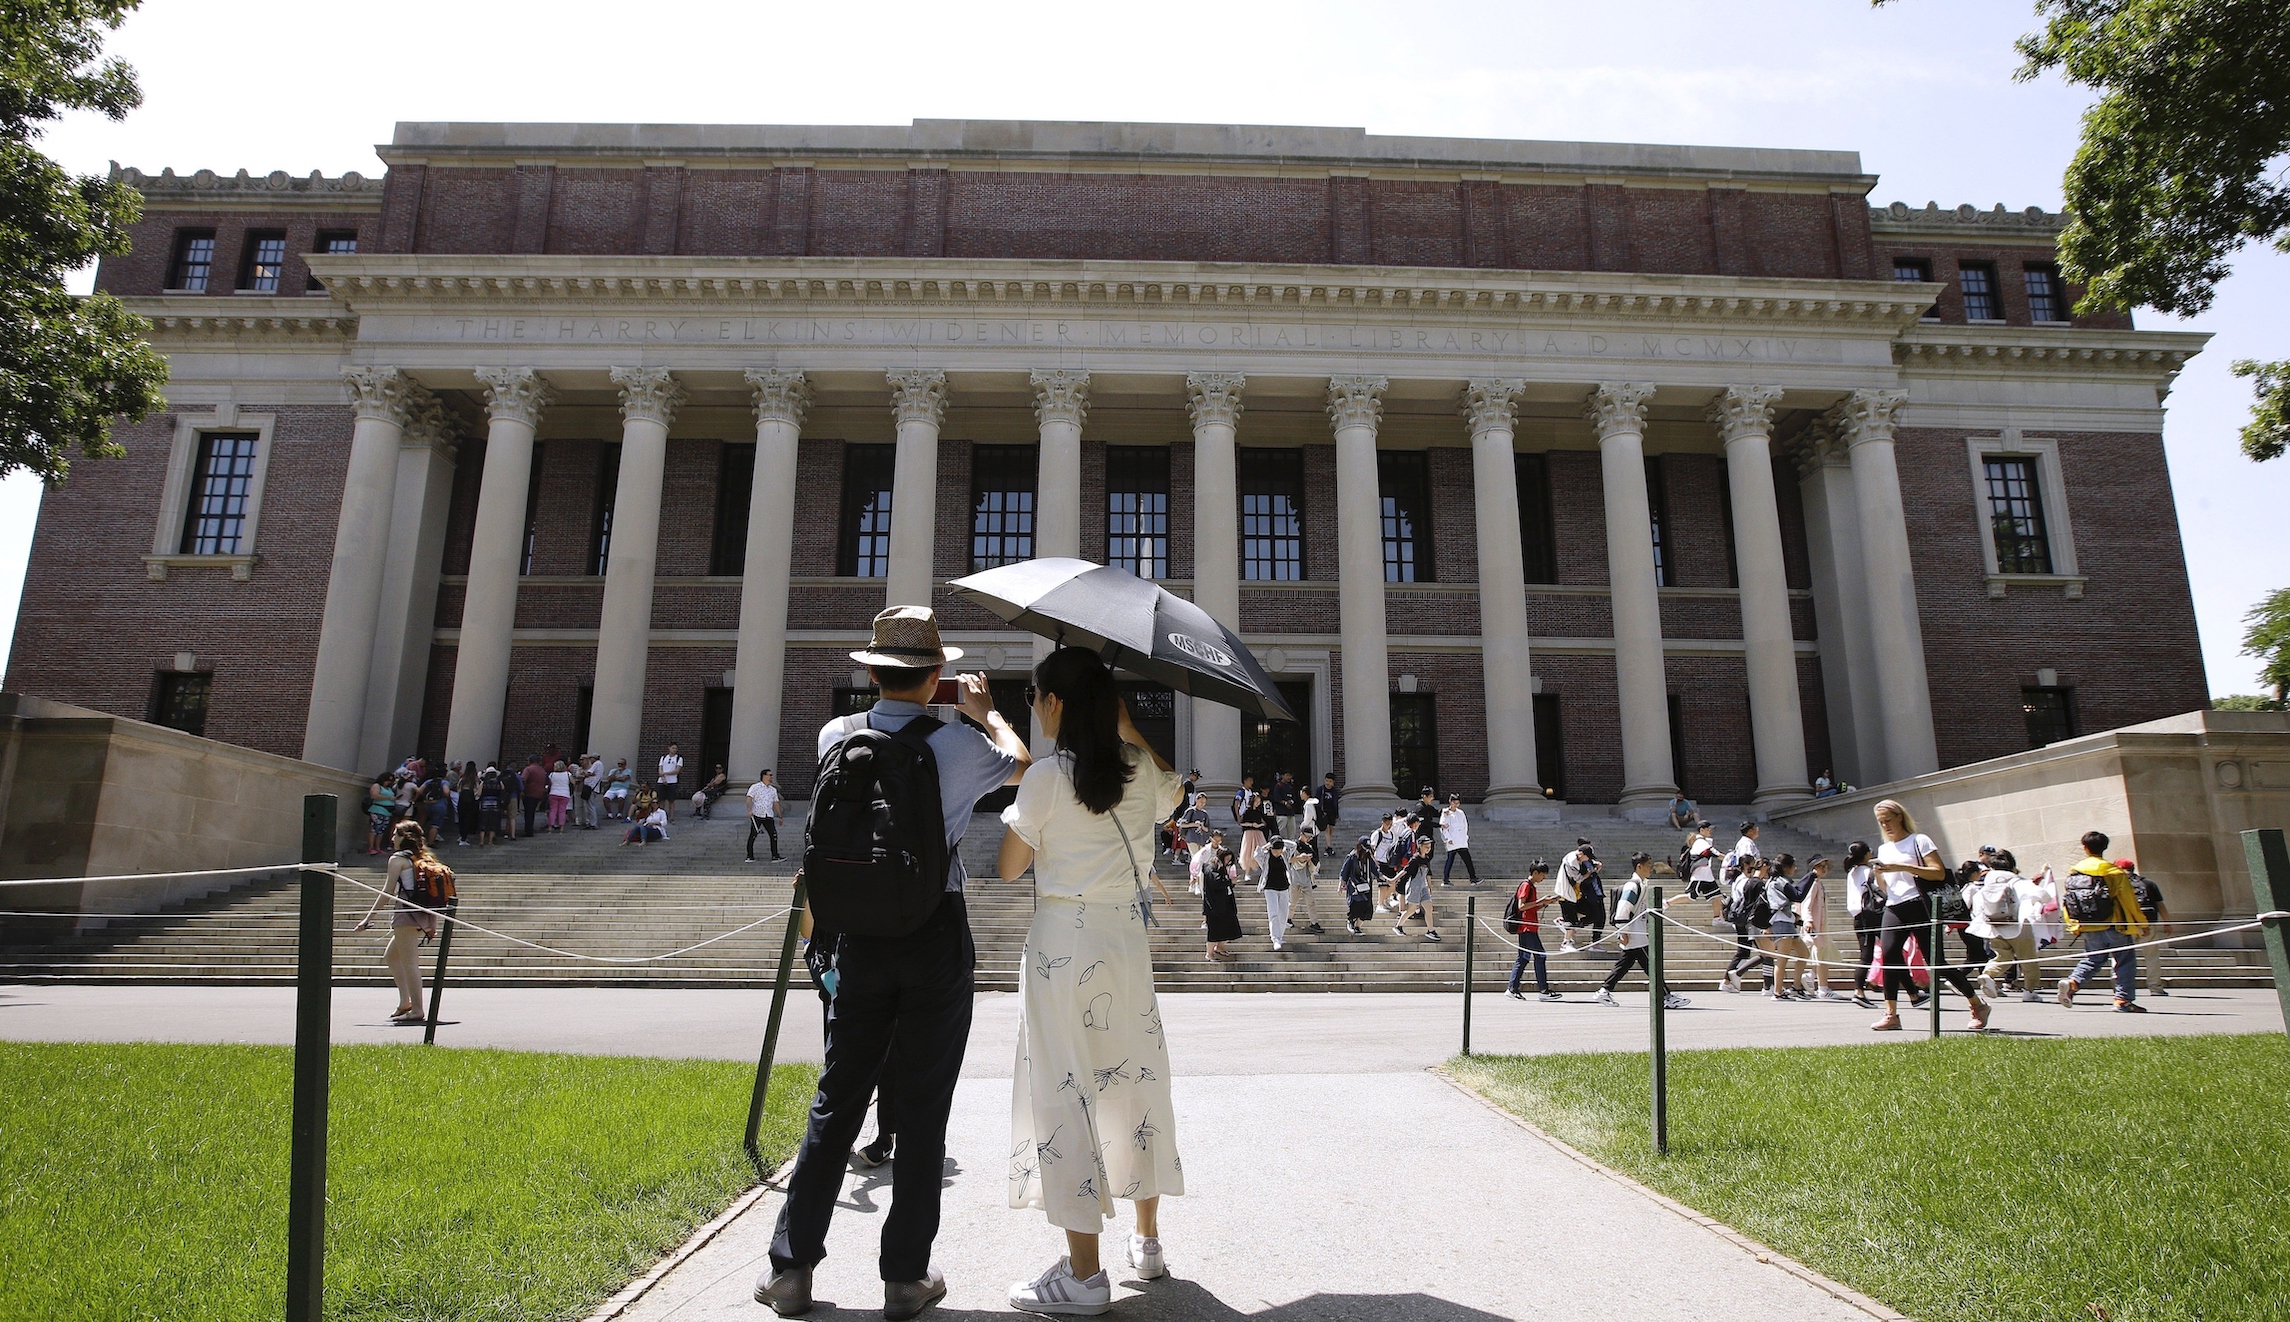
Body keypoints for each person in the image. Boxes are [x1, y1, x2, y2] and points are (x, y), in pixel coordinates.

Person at [759, 605, 1030, 1320]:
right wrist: (988, 712)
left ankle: (790, 1270)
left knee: (837, 1096)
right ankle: (905, 1278)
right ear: (936, 675)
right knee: (922, 1105)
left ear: (871, 671)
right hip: (933, 928)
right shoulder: (959, 745)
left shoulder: (834, 735)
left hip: (857, 937)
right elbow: (1023, 767)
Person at [991, 648, 1183, 1313]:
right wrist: (1129, 728)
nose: (1035, 707)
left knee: (1064, 1089)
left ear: (1056, 704)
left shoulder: (1046, 776)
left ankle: (1082, 1275)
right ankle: (1148, 1241)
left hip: (1062, 946)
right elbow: (1172, 791)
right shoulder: (1137, 769)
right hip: (1125, 941)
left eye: (1035, 696)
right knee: (1134, 1080)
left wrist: (1044, 837)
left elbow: (1010, 866)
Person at [1869, 799, 1989, 1032]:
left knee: (1937, 962)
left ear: (1900, 817)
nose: (1885, 826)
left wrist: (1903, 867)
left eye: (1888, 821)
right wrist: (1880, 872)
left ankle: (1976, 1004)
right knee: (1890, 956)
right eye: (1881, 823)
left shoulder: (1919, 841)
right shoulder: (1884, 849)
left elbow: (1938, 872)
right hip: (1895, 905)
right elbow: (1886, 888)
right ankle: (1890, 1013)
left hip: (1921, 904)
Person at [354, 819, 442, 1024]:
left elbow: (387, 892)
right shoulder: (425, 858)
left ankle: (418, 1009)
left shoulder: (398, 859)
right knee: (392, 956)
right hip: (422, 916)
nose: (392, 838)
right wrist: (432, 923)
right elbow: (435, 894)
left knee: (410, 963)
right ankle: (405, 1002)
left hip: (406, 916)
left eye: (396, 834)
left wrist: (368, 919)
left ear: (405, 838)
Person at [2056, 831, 2149, 1013]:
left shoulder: (2075, 871)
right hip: (2114, 924)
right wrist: (2142, 923)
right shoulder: (2113, 872)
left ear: (2084, 847)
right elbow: (2129, 901)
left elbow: (2068, 901)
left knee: (2093, 959)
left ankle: (2073, 982)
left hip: (2088, 924)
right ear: (2105, 847)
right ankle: (2122, 999)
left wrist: (2073, 924)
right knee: (2125, 961)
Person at [1592, 853, 1692, 1009]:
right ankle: (1667, 996)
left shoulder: (1642, 884)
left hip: (1636, 933)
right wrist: (1622, 932)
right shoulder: (1633, 886)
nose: (1651, 868)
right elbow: (1623, 909)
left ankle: (1604, 991)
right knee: (1651, 966)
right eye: (1648, 865)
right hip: (1635, 934)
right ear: (1639, 866)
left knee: (1625, 965)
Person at [1962, 851, 2044, 1005]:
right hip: (2019, 927)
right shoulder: (2017, 881)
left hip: (1995, 925)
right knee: (2028, 960)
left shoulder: (1987, 884)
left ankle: (1988, 975)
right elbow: (2041, 895)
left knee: (2002, 957)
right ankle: (2030, 991)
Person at [1504, 861, 1562, 1001]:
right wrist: (1540, 901)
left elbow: (1530, 908)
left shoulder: (1531, 887)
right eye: (1543, 875)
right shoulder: (1526, 885)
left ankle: (1513, 988)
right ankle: (1543, 990)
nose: (1544, 878)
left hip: (1528, 926)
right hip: (1526, 927)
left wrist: (1544, 904)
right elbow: (1521, 906)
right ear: (1535, 873)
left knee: (1523, 958)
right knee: (1540, 955)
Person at [1796, 855, 1851, 1000]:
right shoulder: (1813, 883)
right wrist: (1808, 921)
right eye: (1821, 866)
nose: (1824, 869)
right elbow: (1806, 905)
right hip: (1815, 927)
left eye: (1825, 866)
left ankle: (1812, 977)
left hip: (1820, 926)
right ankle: (1822, 987)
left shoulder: (1817, 883)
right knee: (1822, 955)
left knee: (1821, 954)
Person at [1720, 857, 1776, 994]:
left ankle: (1764, 984)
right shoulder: (1755, 884)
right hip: (1755, 921)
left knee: (1763, 954)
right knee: (1764, 954)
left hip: (1747, 920)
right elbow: (1760, 905)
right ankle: (1766, 985)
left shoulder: (1747, 881)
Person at [1764, 854, 1814, 1001]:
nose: (1795, 868)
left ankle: (1796, 987)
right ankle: (1778, 992)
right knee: (1782, 959)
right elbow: (1797, 895)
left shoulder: (1774, 881)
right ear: (1786, 867)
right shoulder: (1779, 882)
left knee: (1803, 953)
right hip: (1781, 923)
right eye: (1793, 865)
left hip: (1785, 922)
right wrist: (1811, 876)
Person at [1842, 841, 1885, 1007]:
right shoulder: (1869, 872)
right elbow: (1880, 891)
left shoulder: (1851, 872)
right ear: (1867, 854)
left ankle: (1911, 992)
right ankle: (1858, 991)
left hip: (1859, 916)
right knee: (1880, 953)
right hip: (1872, 915)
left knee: (1867, 955)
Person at [2121, 857, 2171, 997]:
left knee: (2120, 955)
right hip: (2148, 922)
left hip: (2126, 924)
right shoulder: (2148, 883)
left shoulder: (2117, 883)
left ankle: (2119, 985)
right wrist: (2167, 922)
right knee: (2151, 957)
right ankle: (2155, 987)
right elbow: (2160, 905)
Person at [1391, 813, 1441, 942]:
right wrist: (1393, 879)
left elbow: (1428, 873)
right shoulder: (1415, 859)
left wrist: (1430, 887)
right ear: (1420, 846)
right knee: (1412, 909)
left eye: (1429, 846)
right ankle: (1398, 926)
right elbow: (1405, 871)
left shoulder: (1427, 858)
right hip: (1414, 886)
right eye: (1426, 846)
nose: (1428, 848)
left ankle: (1431, 930)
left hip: (1423, 886)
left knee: (1429, 907)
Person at [1556, 839, 1603, 952]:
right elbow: (1579, 878)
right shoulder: (1571, 861)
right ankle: (1566, 943)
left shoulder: (1577, 858)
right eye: (1588, 857)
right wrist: (1591, 872)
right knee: (1571, 919)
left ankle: (1563, 921)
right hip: (1566, 894)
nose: (1588, 859)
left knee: (1590, 913)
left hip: (1575, 894)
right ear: (1581, 854)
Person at [1201, 845, 1243, 960]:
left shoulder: (1222, 867)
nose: (1228, 862)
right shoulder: (1211, 867)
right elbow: (1216, 883)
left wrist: (1231, 882)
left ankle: (1219, 947)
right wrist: (1229, 881)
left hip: (1226, 903)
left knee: (1231, 928)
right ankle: (1209, 954)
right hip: (1214, 905)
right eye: (1227, 859)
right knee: (1214, 931)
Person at [1258, 835, 1296, 951]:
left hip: (1284, 887)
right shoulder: (1265, 856)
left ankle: (1280, 936)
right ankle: (1275, 938)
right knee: (1273, 912)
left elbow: (1293, 845)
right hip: (1270, 887)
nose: (1277, 852)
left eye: (1279, 849)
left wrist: (1279, 841)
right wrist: (1269, 844)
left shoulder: (1284, 855)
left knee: (1284, 913)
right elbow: (1256, 854)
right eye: (1275, 849)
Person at [1289, 825, 1325, 935]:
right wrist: (1300, 858)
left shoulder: (1309, 847)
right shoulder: (1293, 846)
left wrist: (1310, 859)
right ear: (1301, 834)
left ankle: (1314, 923)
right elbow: (1287, 859)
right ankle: (1287, 919)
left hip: (1306, 878)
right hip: (1295, 878)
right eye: (1307, 836)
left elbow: (1314, 861)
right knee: (1293, 902)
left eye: (1310, 837)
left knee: (1311, 902)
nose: (1308, 839)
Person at [1340, 837, 1378, 936]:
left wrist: (1386, 878)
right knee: (1358, 903)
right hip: (1355, 885)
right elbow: (1344, 871)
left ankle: (1358, 927)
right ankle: (1351, 921)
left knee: (1367, 908)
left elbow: (1375, 870)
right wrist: (1341, 884)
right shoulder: (1352, 857)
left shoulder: (1369, 857)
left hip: (1367, 886)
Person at [1439, 793, 1480, 886]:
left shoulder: (1461, 813)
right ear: (1450, 802)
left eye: (1457, 803)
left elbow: (1465, 825)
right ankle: (1445, 879)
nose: (1456, 805)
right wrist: (1448, 838)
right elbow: (1443, 827)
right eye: (1454, 803)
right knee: (1450, 859)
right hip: (1452, 840)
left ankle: (1473, 878)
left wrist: (1465, 836)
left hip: (1461, 840)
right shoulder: (1446, 813)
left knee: (1467, 859)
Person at [747, 769, 785, 862]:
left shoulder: (773, 790)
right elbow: (749, 798)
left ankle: (775, 856)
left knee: (773, 835)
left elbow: (776, 803)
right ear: (764, 776)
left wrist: (780, 816)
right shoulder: (755, 787)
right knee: (753, 835)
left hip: (768, 815)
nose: (772, 777)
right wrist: (749, 810)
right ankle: (750, 856)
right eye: (770, 775)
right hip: (757, 814)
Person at [1236, 790, 1270, 882]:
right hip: (1249, 834)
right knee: (1248, 854)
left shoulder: (1258, 812)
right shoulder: (1247, 811)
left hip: (1258, 833)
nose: (1258, 804)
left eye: (1259, 802)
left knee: (1263, 852)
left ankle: (1265, 873)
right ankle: (1247, 874)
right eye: (1256, 802)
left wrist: (1259, 825)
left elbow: (1261, 822)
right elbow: (1242, 823)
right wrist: (1252, 825)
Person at [1270, 770, 1304, 843]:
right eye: (1287, 775)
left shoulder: (1290, 787)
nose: (1289, 777)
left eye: (1290, 775)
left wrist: (1291, 802)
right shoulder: (1278, 785)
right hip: (1281, 813)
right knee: (1280, 831)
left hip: (1290, 813)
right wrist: (1285, 803)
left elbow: (1294, 798)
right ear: (1282, 776)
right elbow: (1276, 798)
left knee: (1292, 832)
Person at [365, 772, 396, 855]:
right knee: (374, 829)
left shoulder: (389, 789)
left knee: (381, 831)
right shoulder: (377, 786)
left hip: (387, 812)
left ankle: (378, 847)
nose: (389, 782)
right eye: (387, 780)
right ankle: (371, 847)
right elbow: (374, 796)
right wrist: (389, 798)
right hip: (378, 810)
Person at [656, 742, 685, 819]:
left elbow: (677, 770)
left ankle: (671, 817)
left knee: (671, 800)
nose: (674, 750)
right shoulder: (663, 757)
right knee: (661, 800)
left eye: (676, 748)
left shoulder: (679, 758)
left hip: (672, 781)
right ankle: (662, 817)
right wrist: (663, 778)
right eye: (673, 748)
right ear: (669, 748)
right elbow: (660, 769)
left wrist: (665, 773)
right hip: (661, 781)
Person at [456, 761, 481, 846]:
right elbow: (477, 793)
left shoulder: (462, 780)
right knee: (468, 819)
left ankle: (461, 835)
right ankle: (464, 838)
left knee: (461, 818)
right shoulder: (475, 781)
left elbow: (458, 790)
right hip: (471, 802)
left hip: (461, 800)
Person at [546, 759, 573, 832]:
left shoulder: (551, 774)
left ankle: (550, 827)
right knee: (562, 811)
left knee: (553, 811)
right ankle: (561, 828)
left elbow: (549, 784)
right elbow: (573, 782)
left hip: (553, 793)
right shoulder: (568, 774)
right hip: (565, 794)